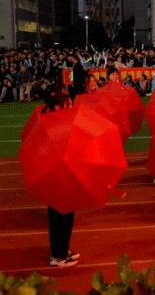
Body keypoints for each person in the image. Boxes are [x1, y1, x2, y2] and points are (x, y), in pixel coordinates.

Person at [44, 92, 81, 267]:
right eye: (69, 104)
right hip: (57, 176)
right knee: (60, 216)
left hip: (64, 174)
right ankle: (57, 256)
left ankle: (62, 249)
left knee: (66, 215)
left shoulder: (59, 122)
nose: (72, 107)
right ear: (59, 107)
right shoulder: (52, 123)